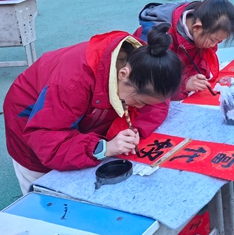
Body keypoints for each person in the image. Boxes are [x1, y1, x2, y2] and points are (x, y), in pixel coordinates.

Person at [3, 24, 182, 195]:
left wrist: (133, 130)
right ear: (123, 74)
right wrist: (103, 148)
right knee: (45, 197)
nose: (141, 108)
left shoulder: (148, 65)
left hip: (68, 112)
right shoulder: (72, 82)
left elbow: (155, 104)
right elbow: (46, 139)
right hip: (30, 120)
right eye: (139, 101)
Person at [135, 0, 234, 101]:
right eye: (214, 40)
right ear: (197, 28)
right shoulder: (161, 37)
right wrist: (185, 85)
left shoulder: (203, 27)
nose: (214, 45)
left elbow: (200, 63)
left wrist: (196, 77)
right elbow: (150, 85)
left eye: (219, 41)